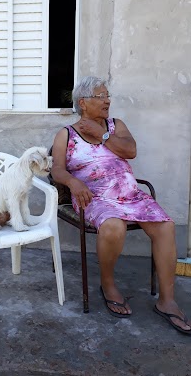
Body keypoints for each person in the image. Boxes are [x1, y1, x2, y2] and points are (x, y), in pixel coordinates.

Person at [51, 75, 191, 334]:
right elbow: (57, 169)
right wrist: (73, 182)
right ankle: (108, 284)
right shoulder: (66, 134)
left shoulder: (115, 126)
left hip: (131, 195)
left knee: (166, 226)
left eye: (107, 95)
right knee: (114, 226)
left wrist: (102, 134)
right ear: (83, 102)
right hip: (94, 197)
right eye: (101, 96)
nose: (107, 101)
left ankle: (167, 301)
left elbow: (130, 151)